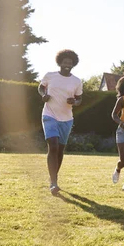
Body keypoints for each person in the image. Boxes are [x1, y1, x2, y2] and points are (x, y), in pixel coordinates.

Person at [38, 49, 83, 195]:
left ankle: (53, 178)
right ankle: (54, 183)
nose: (67, 64)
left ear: (73, 64)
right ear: (60, 62)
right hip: (49, 114)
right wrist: (44, 95)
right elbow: (41, 86)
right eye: (65, 61)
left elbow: (79, 99)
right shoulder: (50, 76)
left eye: (70, 62)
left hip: (67, 119)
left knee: (60, 150)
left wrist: (74, 102)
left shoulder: (76, 81)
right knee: (53, 146)